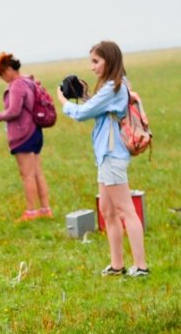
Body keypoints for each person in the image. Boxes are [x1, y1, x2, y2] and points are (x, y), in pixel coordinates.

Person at [56, 41, 148, 277]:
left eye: (96, 61)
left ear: (110, 61)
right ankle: (117, 265)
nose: (92, 67)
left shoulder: (114, 88)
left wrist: (65, 102)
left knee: (125, 209)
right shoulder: (115, 86)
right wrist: (86, 95)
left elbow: (83, 114)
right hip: (105, 155)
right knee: (107, 211)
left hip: (112, 155)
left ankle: (141, 266)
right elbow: (98, 108)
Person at [0, 52, 53, 221]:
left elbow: (14, 111)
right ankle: (45, 209)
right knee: (38, 172)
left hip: (22, 133)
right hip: (35, 131)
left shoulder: (17, 84)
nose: (2, 77)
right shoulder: (28, 81)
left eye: (2, 73)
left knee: (27, 174)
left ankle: (31, 211)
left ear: (9, 69)